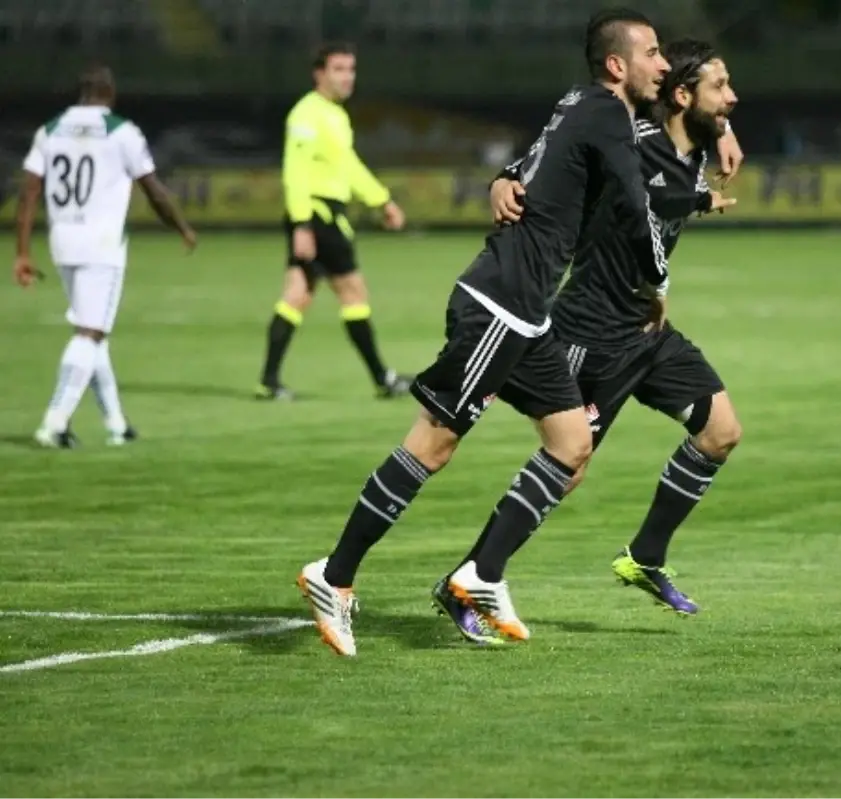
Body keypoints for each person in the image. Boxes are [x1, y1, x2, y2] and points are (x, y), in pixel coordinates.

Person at [296, 8, 671, 656]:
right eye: (653, 53)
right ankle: (334, 575)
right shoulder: (606, 112)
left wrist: (503, 179)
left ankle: (480, 573)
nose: (662, 64)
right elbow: (637, 208)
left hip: (528, 315)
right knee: (434, 444)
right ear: (618, 64)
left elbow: (529, 163)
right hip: (500, 304)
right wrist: (656, 282)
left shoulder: (581, 103)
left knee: (572, 441)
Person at [445, 38, 743, 640]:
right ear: (683, 96)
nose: (732, 97)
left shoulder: (694, 148)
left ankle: (645, 557)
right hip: (591, 331)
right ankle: (471, 578)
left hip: (648, 333)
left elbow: (687, 161)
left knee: (720, 431)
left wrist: (725, 130)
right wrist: (504, 177)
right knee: (568, 462)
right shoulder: (640, 148)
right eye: (720, 89)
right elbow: (644, 193)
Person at [13, 63, 196, 448]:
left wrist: (22, 252)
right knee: (90, 332)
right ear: (111, 94)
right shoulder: (122, 132)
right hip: (102, 244)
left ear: (80, 93)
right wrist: (180, 226)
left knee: (92, 332)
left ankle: (116, 423)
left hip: (62, 239)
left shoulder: (49, 130)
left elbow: (29, 191)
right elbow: (154, 189)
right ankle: (54, 423)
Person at [257, 42, 411, 401]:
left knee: (296, 296)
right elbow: (294, 172)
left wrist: (381, 199)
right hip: (317, 215)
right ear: (319, 73)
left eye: (351, 69)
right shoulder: (306, 115)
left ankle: (268, 379)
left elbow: (348, 166)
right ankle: (382, 378)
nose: (347, 76)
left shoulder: (335, 115)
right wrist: (302, 225)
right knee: (354, 293)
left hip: (317, 215)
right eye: (338, 69)